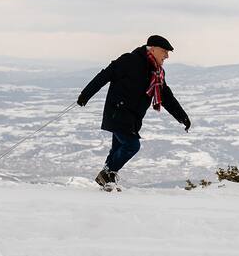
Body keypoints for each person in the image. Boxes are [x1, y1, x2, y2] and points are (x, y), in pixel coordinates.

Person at [77, 35, 191, 189]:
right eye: (164, 51)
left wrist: (182, 117)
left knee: (118, 148)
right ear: (153, 48)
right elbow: (104, 76)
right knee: (132, 145)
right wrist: (86, 95)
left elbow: (167, 97)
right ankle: (107, 174)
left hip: (133, 118)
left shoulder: (156, 72)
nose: (167, 56)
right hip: (118, 112)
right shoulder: (129, 60)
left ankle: (107, 178)